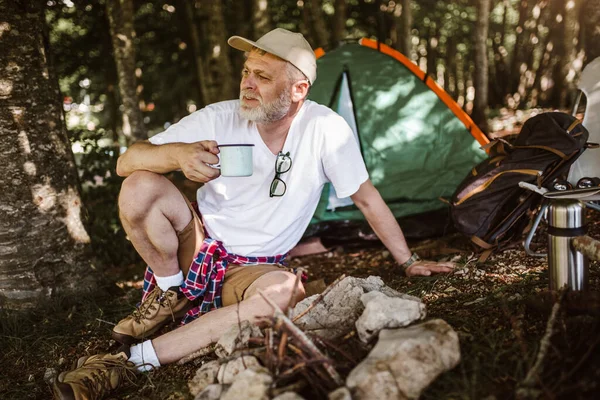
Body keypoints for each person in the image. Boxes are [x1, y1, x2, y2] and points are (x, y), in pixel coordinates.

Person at [53, 28, 454, 399]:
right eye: (247, 72)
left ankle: (130, 362)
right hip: (198, 242)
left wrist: (409, 261)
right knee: (139, 184)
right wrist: (176, 155)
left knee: (284, 294)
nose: (247, 83)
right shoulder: (219, 117)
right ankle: (170, 288)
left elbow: (367, 199)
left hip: (254, 266)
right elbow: (128, 160)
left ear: (298, 89)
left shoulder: (325, 130)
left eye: (262, 76)